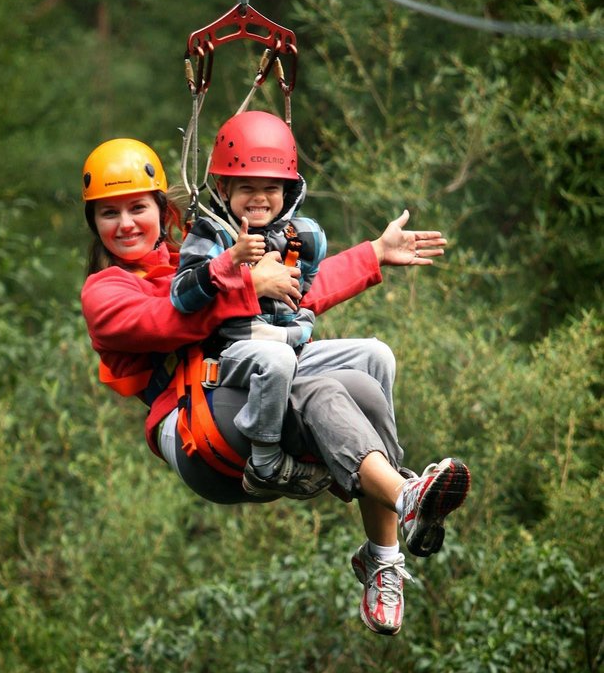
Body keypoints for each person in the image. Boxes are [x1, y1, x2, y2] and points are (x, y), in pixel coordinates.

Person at [80, 137, 471, 636]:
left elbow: (292, 295)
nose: (127, 223)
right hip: (194, 426)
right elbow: (171, 321)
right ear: (93, 223)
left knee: (367, 382)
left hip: (246, 389)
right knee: (318, 389)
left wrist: (372, 255)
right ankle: (405, 495)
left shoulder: (195, 256)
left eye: (138, 207)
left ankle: (383, 554)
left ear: (162, 209)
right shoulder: (106, 292)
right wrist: (247, 285)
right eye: (109, 213)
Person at [171, 110, 385, 501]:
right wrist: (231, 265)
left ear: (287, 191)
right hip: (233, 356)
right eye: (246, 187)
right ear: (225, 189)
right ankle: (265, 460)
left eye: (271, 188)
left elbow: (311, 290)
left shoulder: (296, 236)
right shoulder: (212, 233)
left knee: (376, 354)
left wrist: (377, 253)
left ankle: (385, 462)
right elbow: (181, 295)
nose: (259, 198)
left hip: (291, 347)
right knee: (277, 359)